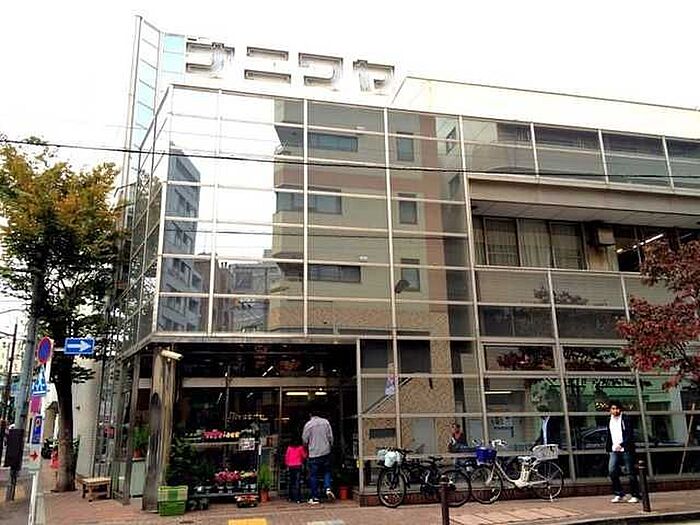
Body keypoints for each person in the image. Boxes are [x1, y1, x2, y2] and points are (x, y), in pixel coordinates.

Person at [605, 400, 640, 504]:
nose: (615, 411)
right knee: (612, 471)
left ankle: (635, 494)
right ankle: (619, 493)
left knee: (630, 472)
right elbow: (609, 434)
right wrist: (609, 447)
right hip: (614, 449)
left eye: (617, 408)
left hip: (626, 449)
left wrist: (622, 444)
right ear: (610, 410)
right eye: (613, 409)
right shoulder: (609, 420)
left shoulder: (625, 419)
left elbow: (629, 434)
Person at [302, 409, 334, 504]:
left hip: (314, 453)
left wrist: (306, 448)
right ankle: (327, 488)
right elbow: (330, 437)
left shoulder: (308, 425)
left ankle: (315, 497)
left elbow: (304, 440)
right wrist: (330, 446)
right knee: (327, 471)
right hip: (326, 452)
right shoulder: (326, 422)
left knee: (313, 475)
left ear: (310, 414)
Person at [284, 435, 307, 503]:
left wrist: (287, 464)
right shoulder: (300, 448)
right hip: (298, 466)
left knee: (291, 482)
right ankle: (298, 498)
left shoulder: (289, 448)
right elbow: (304, 456)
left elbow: (286, 457)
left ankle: (290, 497)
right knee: (297, 482)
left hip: (291, 466)